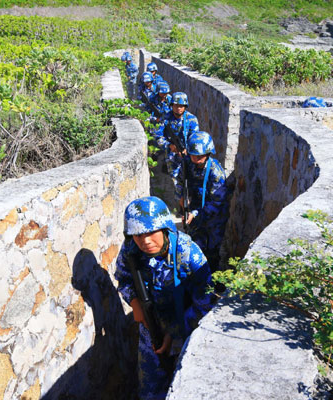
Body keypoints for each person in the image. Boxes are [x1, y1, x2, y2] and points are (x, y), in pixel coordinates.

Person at [114, 196, 214, 400]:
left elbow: (206, 300)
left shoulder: (187, 254)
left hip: (187, 326)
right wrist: (135, 304)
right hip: (151, 327)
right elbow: (123, 279)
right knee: (150, 387)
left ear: (165, 228)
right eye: (138, 235)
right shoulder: (131, 250)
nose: (145, 241)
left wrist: (174, 333)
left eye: (151, 232)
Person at [175, 131, 228, 271]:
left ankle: (214, 280)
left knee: (212, 249)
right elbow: (180, 180)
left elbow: (217, 202)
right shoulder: (188, 163)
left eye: (200, 156)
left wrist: (196, 213)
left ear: (208, 153)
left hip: (213, 214)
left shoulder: (216, 172)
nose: (196, 159)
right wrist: (181, 197)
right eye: (193, 155)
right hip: (195, 207)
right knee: (194, 245)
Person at [152, 92, 200, 180]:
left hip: (189, 155)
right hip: (172, 154)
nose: (178, 108)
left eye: (181, 106)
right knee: (176, 181)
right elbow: (157, 135)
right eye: (176, 105)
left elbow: (195, 138)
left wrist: (187, 149)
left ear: (185, 106)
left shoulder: (192, 119)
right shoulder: (165, 118)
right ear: (172, 105)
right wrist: (169, 145)